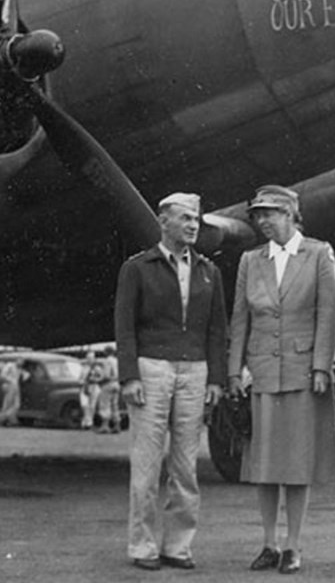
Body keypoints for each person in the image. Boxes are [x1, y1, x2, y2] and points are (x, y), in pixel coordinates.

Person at [228, 185, 335, 575]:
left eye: (270, 213)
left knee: (296, 465)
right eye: (257, 214)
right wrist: (233, 369)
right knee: (263, 465)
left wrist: (323, 366)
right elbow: (240, 317)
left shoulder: (319, 254)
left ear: (291, 214)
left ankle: (293, 545)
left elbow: (328, 313)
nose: (262, 221)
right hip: (260, 372)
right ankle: (268, 543)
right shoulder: (250, 260)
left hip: (302, 372)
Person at [115, 192, 227, 571]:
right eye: (184, 218)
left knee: (185, 466)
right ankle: (143, 545)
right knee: (146, 466)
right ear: (163, 222)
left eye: (196, 218)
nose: (193, 225)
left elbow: (217, 330)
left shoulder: (209, 271)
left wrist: (216, 378)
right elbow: (124, 327)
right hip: (151, 370)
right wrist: (129, 375)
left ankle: (178, 546)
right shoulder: (138, 267)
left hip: (194, 371)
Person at [96, 346, 121, 434]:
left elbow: (106, 375)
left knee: (105, 404)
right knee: (115, 404)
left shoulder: (107, 361)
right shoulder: (117, 361)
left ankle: (105, 425)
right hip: (116, 383)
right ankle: (117, 424)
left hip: (108, 384)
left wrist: (99, 379)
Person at [80, 350, 103, 430]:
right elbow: (80, 377)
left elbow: (101, 377)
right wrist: (82, 381)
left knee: (92, 405)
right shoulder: (84, 367)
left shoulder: (97, 368)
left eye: (91, 358)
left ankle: (89, 422)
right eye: (88, 358)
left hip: (94, 387)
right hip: (85, 387)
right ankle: (86, 420)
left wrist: (95, 379)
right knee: (84, 404)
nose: (89, 359)